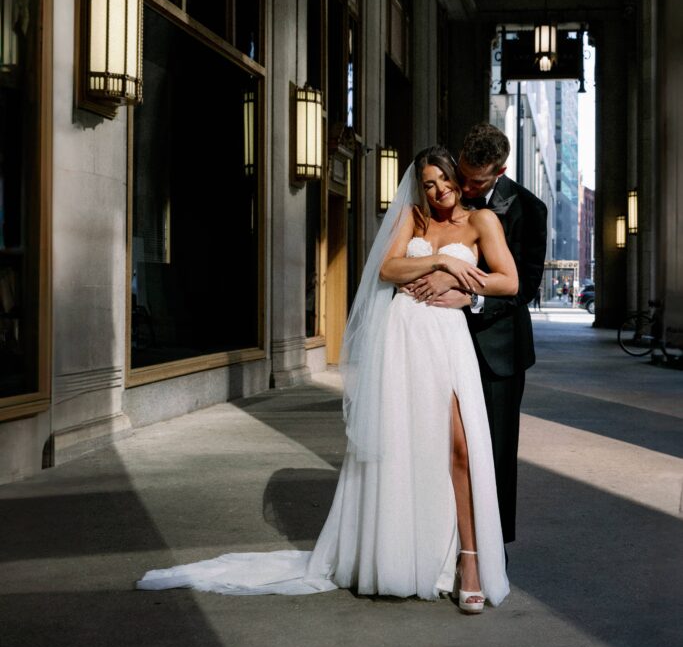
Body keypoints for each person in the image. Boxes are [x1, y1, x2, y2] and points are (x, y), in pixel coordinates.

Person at [137, 146, 517, 611]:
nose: (439, 191)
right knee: (404, 444)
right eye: (430, 183)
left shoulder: (481, 222)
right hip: (404, 338)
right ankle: (403, 555)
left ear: (459, 178)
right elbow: (387, 268)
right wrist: (440, 263)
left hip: (446, 339)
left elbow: (508, 281)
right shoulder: (413, 219)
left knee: (459, 447)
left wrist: (462, 282)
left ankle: (470, 561)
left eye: (445, 180)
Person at [405, 123, 547, 548]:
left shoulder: (528, 209)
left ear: (500, 171)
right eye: (462, 173)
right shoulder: (443, 195)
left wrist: (470, 298)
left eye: (477, 180)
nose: (465, 186)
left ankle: (490, 552)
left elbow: (525, 287)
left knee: (495, 453)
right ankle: (443, 539)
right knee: (442, 445)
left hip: (497, 351)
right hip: (436, 341)